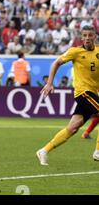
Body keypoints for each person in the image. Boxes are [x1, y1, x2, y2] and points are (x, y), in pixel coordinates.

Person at [36, 26, 99, 166]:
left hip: (93, 93)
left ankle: (44, 150)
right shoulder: (75, 52)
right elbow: (56, 63)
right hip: (82, 93)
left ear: (95, 37)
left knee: (72, 128)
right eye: (85, 35)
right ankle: (98, 151)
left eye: (90, 35)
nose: (87, 38)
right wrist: (49, 83)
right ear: (81, 37)